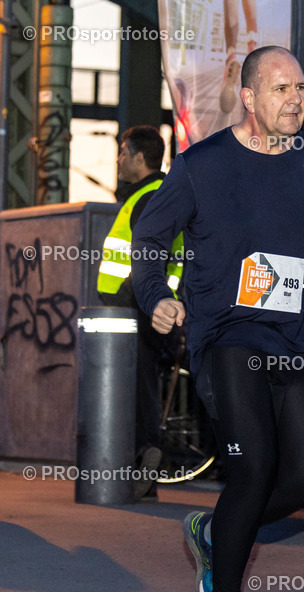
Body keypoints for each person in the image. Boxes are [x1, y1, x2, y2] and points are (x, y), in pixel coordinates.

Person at [131, 45, 304, 592]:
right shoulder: (202, 165)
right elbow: (149, 236)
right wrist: (155, 293)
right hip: (226, 336)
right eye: (281, 89)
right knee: (254, 467)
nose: (296, 100)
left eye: (302, 88)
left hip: (288, 339)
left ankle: (214, 531)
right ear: (250, 97)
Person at [96, 125, 182, 497]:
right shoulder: (154, 194)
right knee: (141, 384)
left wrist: (125, 300)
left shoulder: (149, 198)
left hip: (138, 310)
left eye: (122, 152)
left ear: (138, 157)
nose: (118, 160)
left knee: (133, 388)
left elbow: (150, 259)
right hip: (148, 309)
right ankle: (143, 470)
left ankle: (143, 455)